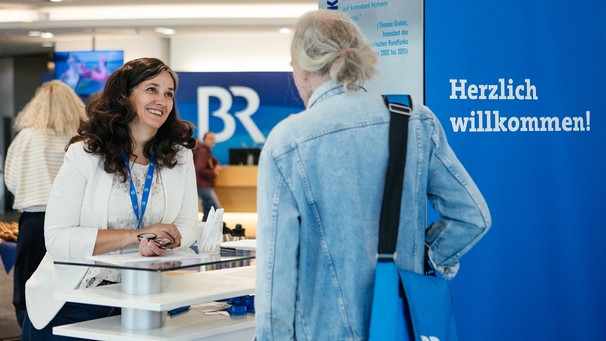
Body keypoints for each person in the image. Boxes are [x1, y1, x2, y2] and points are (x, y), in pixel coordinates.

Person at [255, 10, 492, 340]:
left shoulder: (287, 142)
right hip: (402, 324)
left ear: (305, 66)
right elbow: (473, 216)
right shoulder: (414, 120)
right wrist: (425, 256)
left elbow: (275, 276)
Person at [20, 57, 199, 339]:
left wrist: (166, 239)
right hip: (74, 301)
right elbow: (57, 239)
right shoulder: (86, 153)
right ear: (125, 96)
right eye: (151, 89)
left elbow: (189, 224)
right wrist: (136, 235)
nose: (162, 100)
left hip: (141, 299)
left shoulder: (179, 156)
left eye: (169, 93)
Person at [4, 80, 86, 327]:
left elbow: (11, 179)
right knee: (70, 281)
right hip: (75, 223)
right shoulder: (81, 139)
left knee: (28, 284)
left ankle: (31, 331)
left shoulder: (28, 137)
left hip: (36, 220)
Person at [192, 131, 222, 222]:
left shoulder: (205, 151)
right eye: (210, 138)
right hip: (204, 186)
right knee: (217, 210)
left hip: (202, 185)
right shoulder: (203, 152)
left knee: (207, 211)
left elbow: (213, 161)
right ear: (204, 140)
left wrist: (216, 165)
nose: (213, 140)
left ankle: (204, 233)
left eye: (213, 138)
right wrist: (214, 172)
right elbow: (200, 169)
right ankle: (215, 233)